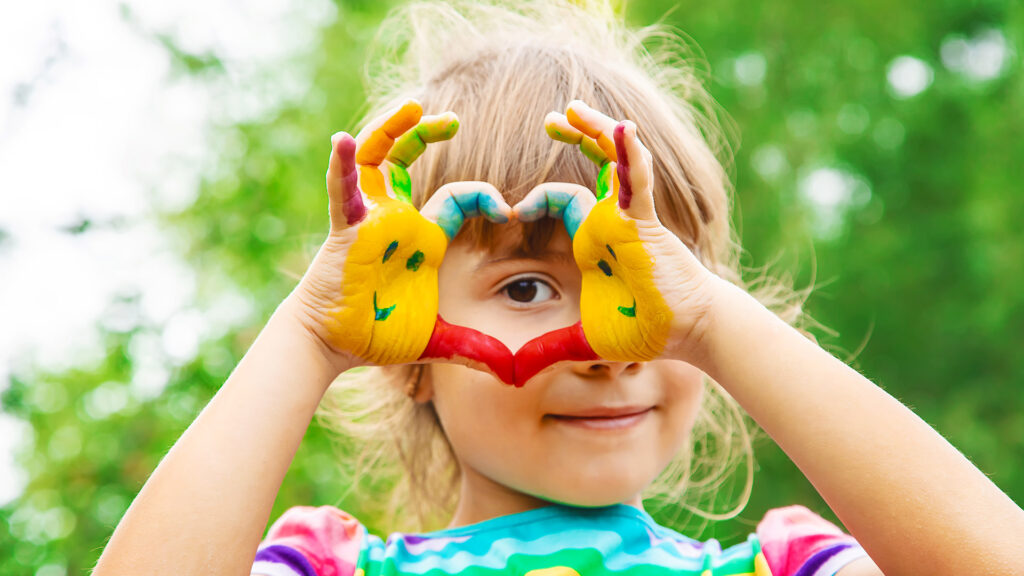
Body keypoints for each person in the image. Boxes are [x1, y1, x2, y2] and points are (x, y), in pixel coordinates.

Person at [92, 1, 1024, 575]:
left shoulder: (785, 568)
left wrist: (709, 319)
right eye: (531, 286)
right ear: (409, 352)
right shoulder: (328, 570)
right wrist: (306, 336)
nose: (611, 346)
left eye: (648, 281)